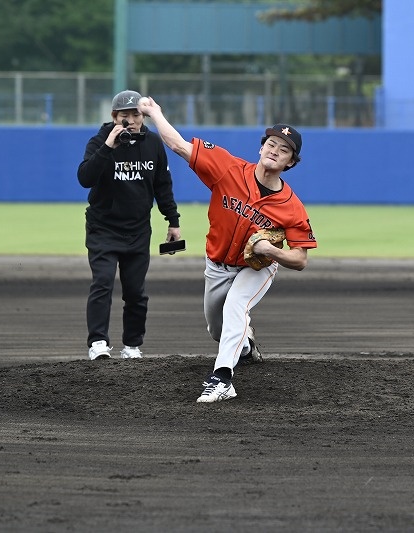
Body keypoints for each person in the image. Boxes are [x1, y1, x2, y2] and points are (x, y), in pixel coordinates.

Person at [138, 96, 317, 403]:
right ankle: (245, 347)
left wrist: (272, 251)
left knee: (236, 304)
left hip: (256, 268)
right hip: (217, 264)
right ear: (261, 148)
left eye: (284, 150)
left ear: (290, 162)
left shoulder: (292, 207)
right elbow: (179, 146)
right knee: (217, 328)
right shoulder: (228, 169)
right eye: (271, 144)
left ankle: (222, 379)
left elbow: (300, 259)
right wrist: (155, 113)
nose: (275, 151)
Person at [77, 90, 182, 360]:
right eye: (125, 115)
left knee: (135, 292)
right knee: (102, 283)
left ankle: (132, 346)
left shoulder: (153, 143)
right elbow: (85, 178)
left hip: (138, 230)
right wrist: (108, 147)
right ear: (115, 117)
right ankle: (98, 343)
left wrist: (173, 221)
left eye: (137, 115)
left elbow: (162, 185)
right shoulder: (99, 141)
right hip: (103, 228)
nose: (132, 121)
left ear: (143, 116)